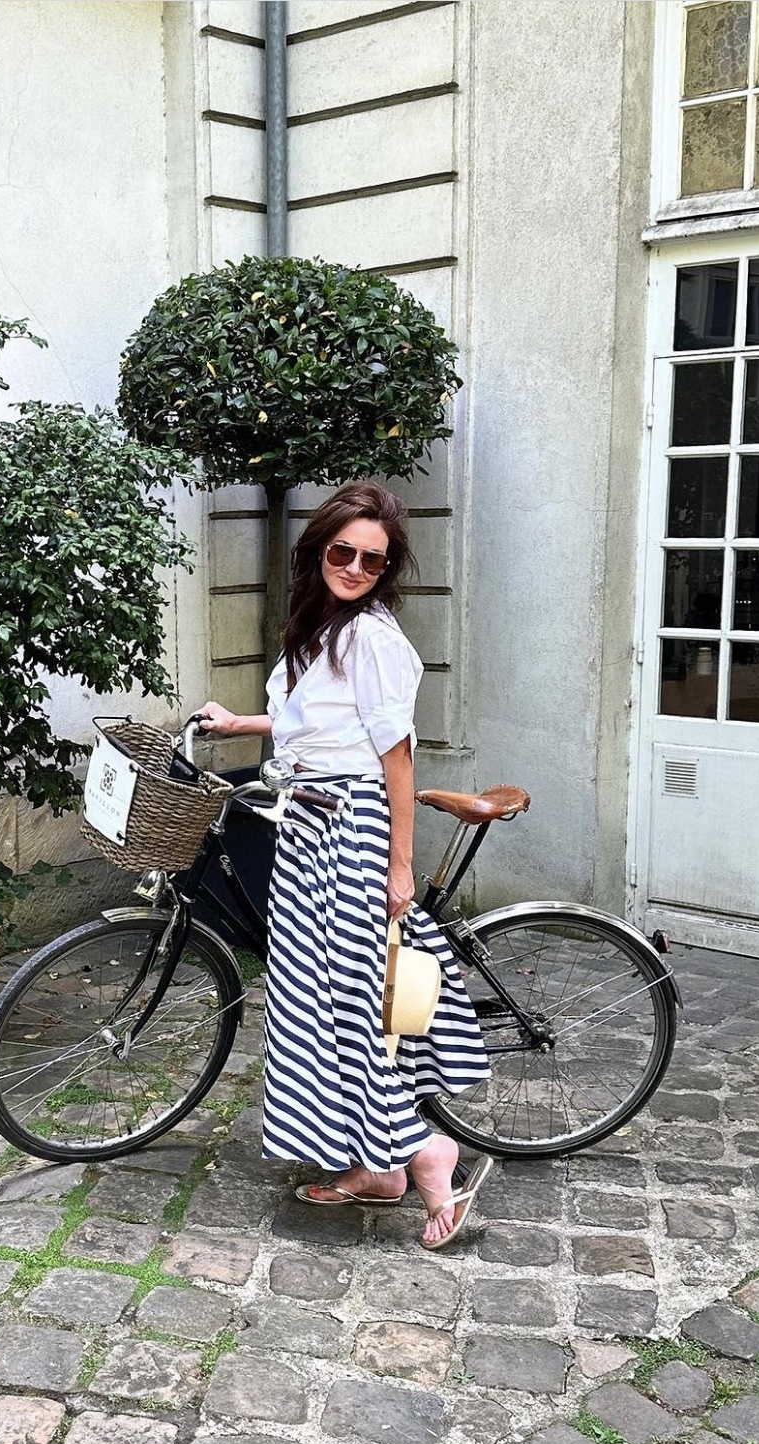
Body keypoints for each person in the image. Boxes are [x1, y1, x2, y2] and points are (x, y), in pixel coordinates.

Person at [194, 480, 491, 1249]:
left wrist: (400, 866)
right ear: (318, 549)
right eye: (342, 551)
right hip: (308, 828)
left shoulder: (371, 638)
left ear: (386, 569)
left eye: (372, 560)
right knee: (314, 1005)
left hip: (349, 831)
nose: (355, 567)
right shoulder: (322, 625)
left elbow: (397, 757)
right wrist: (239, 720)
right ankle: (378, 1169)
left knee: (352, 1010)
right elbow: (314, 721)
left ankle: (427, 1156)